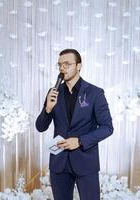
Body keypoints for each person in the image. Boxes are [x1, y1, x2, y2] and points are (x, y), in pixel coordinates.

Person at [35, 49, 113, 200]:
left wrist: (79, 141)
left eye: (67, 64)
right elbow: (40, 127)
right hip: (59, 164)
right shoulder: (54, 92)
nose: (62, 68)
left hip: (85, 162)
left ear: (79, 66)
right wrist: (48, 109)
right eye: (59, 65)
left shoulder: (95, 93)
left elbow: (107, 127)